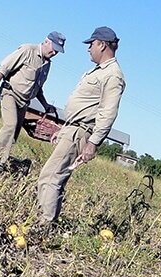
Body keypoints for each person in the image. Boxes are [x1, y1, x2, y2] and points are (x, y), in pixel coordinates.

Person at [33, 26, 125, 227]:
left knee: (50, 177)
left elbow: (108, 112)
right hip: (73, 128)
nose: (88, 48)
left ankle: (43, 225)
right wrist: (64, 129)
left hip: (81, 132)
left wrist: (92, 143)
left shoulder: (113, 75)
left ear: (102, 45)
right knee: (55, 177)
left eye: (91, 44)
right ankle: (47, 222)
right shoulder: (99, 71)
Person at [0, 32, 65, 172]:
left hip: (24, 102)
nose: (54, 52)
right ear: (46, 41)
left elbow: (38, 88)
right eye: (53, 48)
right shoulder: (28, 50)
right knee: (10, 125)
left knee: (13, 134)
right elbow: (3, 68)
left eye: (57, 51)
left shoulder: (47, 64)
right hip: (10, 93)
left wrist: (45, 105)